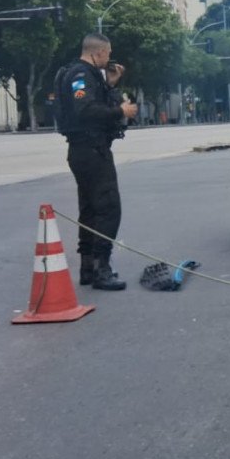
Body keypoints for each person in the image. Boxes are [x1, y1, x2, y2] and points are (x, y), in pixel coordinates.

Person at [55, 34, 137, 290]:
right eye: (108, 53)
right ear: (98, 52)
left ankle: (88, 267)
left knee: (90, 209)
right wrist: (121, 111)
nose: (109, 58)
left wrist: (110, 84)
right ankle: (102, 269)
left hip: (85, 150)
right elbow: (86, 110)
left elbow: (91, 103)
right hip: (91, 150)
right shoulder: (81, 75)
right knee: (109, 208)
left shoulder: (85, 75)